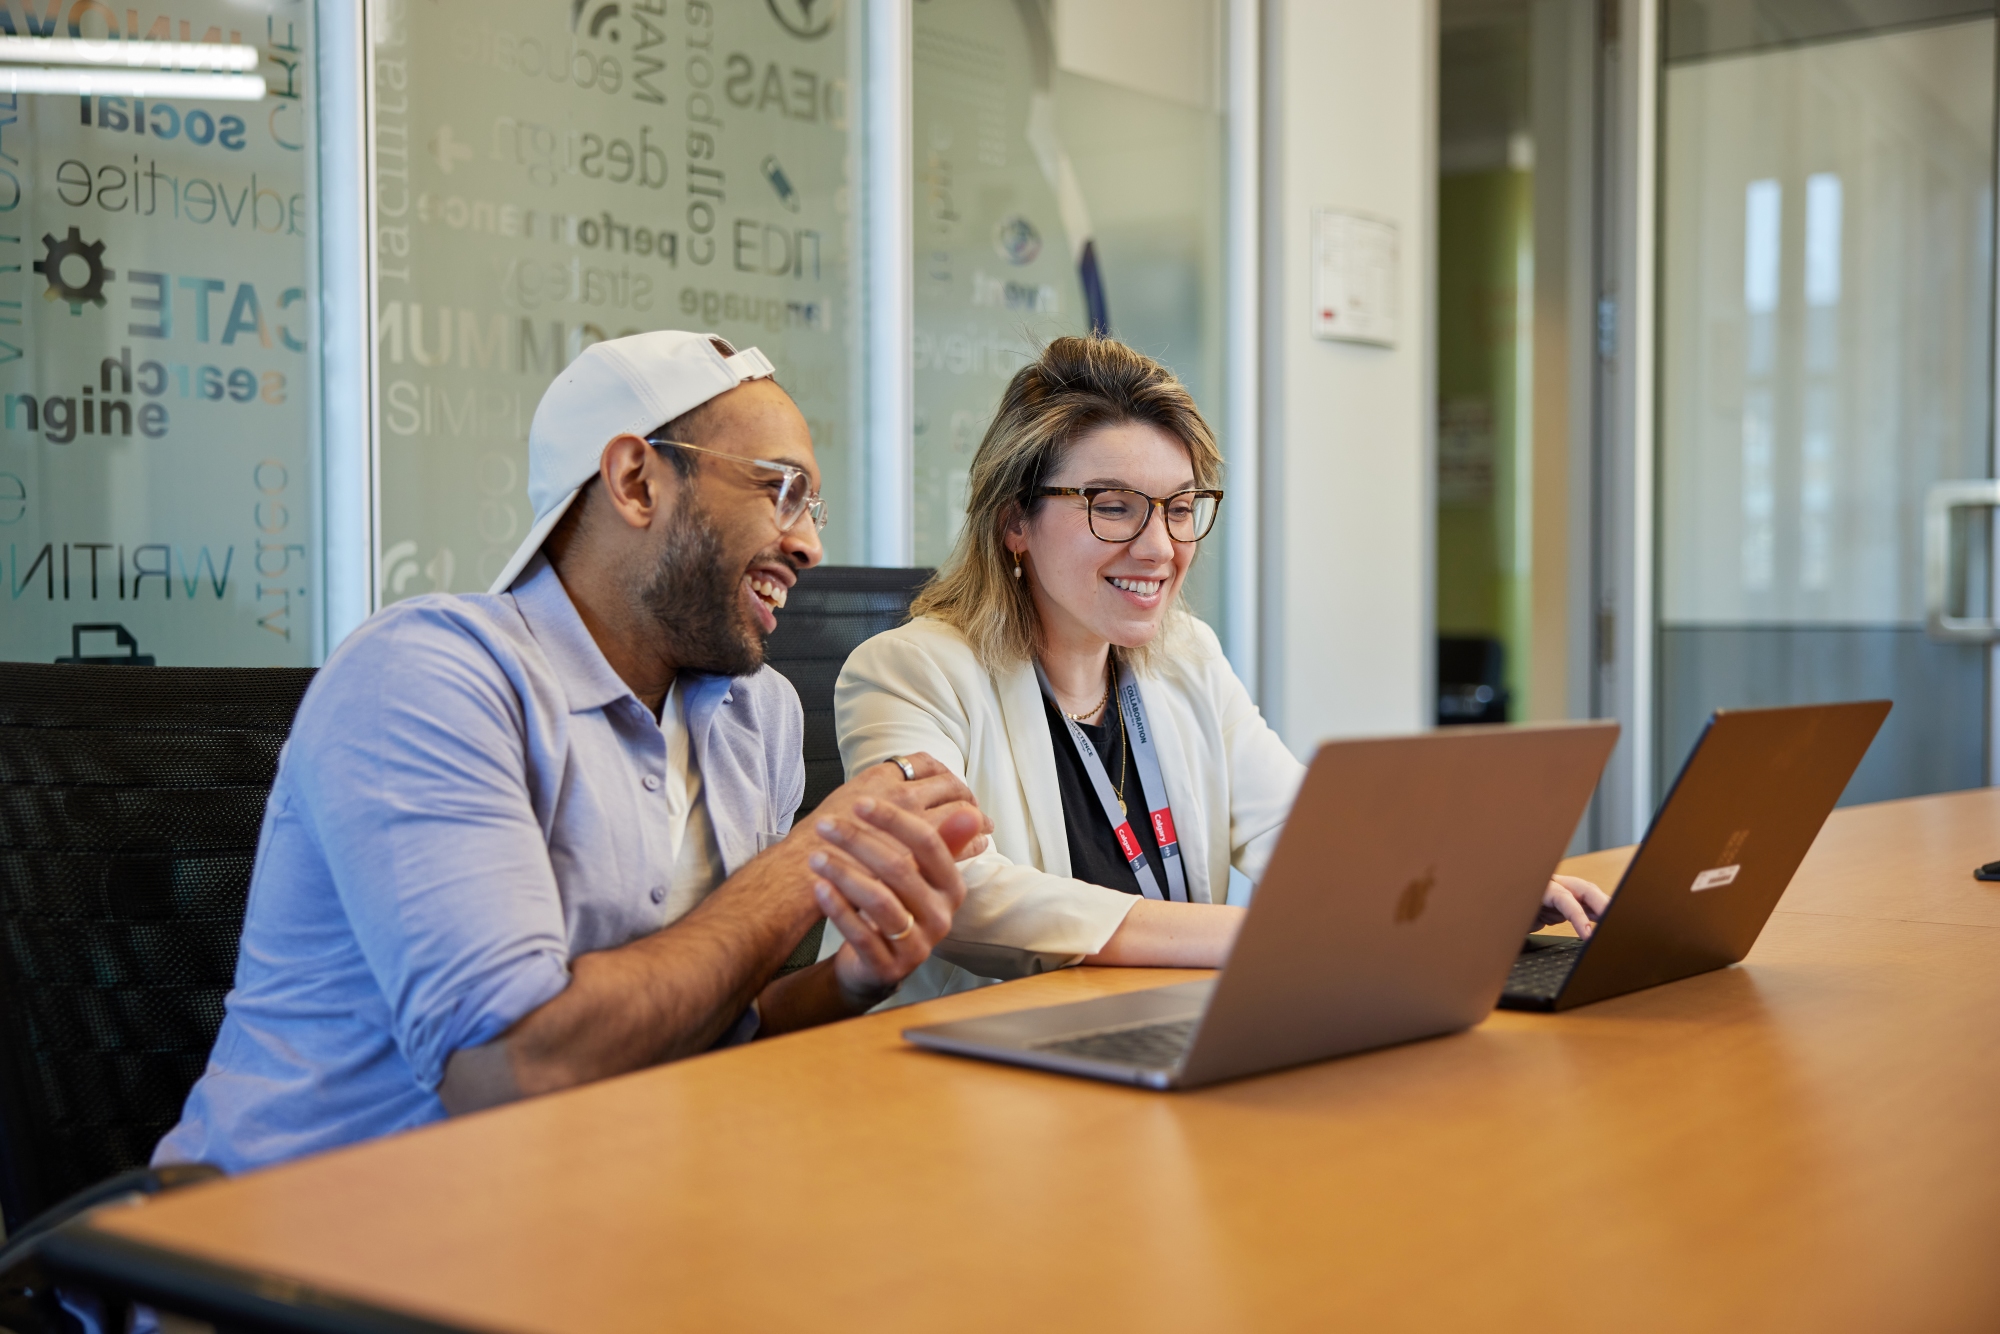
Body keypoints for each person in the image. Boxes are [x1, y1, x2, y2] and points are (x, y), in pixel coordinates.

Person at [156, 332, 988, 1174]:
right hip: (295, 1244)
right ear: (635, 482)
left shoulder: (755, 713)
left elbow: (709, 1024)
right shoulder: (428, 678)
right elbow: (515, 1072)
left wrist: (851, 981)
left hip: (595, 1203)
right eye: (782, 490)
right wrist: (809, 862)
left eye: (812, 507)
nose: (809, 543)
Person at [834, 335, 1605, 999]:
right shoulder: (909, 671)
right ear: (1014, 521)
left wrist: (1469, 895)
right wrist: (1246, 938)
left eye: (1178, 506)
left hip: (1154, 1029)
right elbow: (952, 891)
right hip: (967, 1077)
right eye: (1112, 504)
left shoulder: (1185, 657)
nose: (1159, 548)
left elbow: (1304, 832)